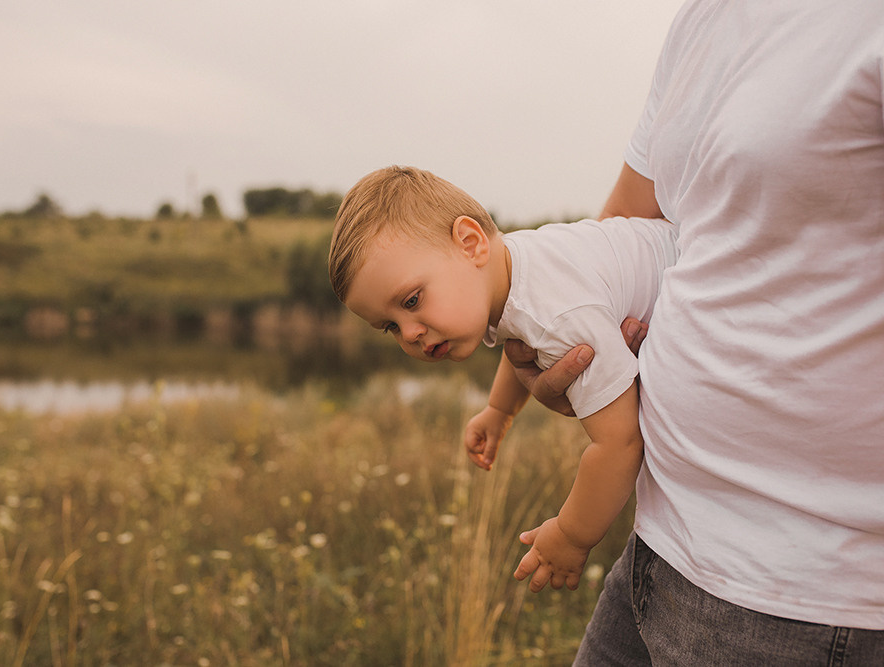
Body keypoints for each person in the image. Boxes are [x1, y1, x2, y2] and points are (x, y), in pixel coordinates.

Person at [506, 0, 884, 662]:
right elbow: (627, 218)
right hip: (661, 537)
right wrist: (550, 351)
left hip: (805, 597)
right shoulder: (702, 19)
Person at [327, 165, 677, 591]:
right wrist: (499, 411)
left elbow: (620, 443)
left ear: (470, 244)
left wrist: (570, 535)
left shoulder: (558, 316)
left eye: (412, 300)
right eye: (390, 326)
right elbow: (519, 335)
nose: (411, 334)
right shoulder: (515, 265)